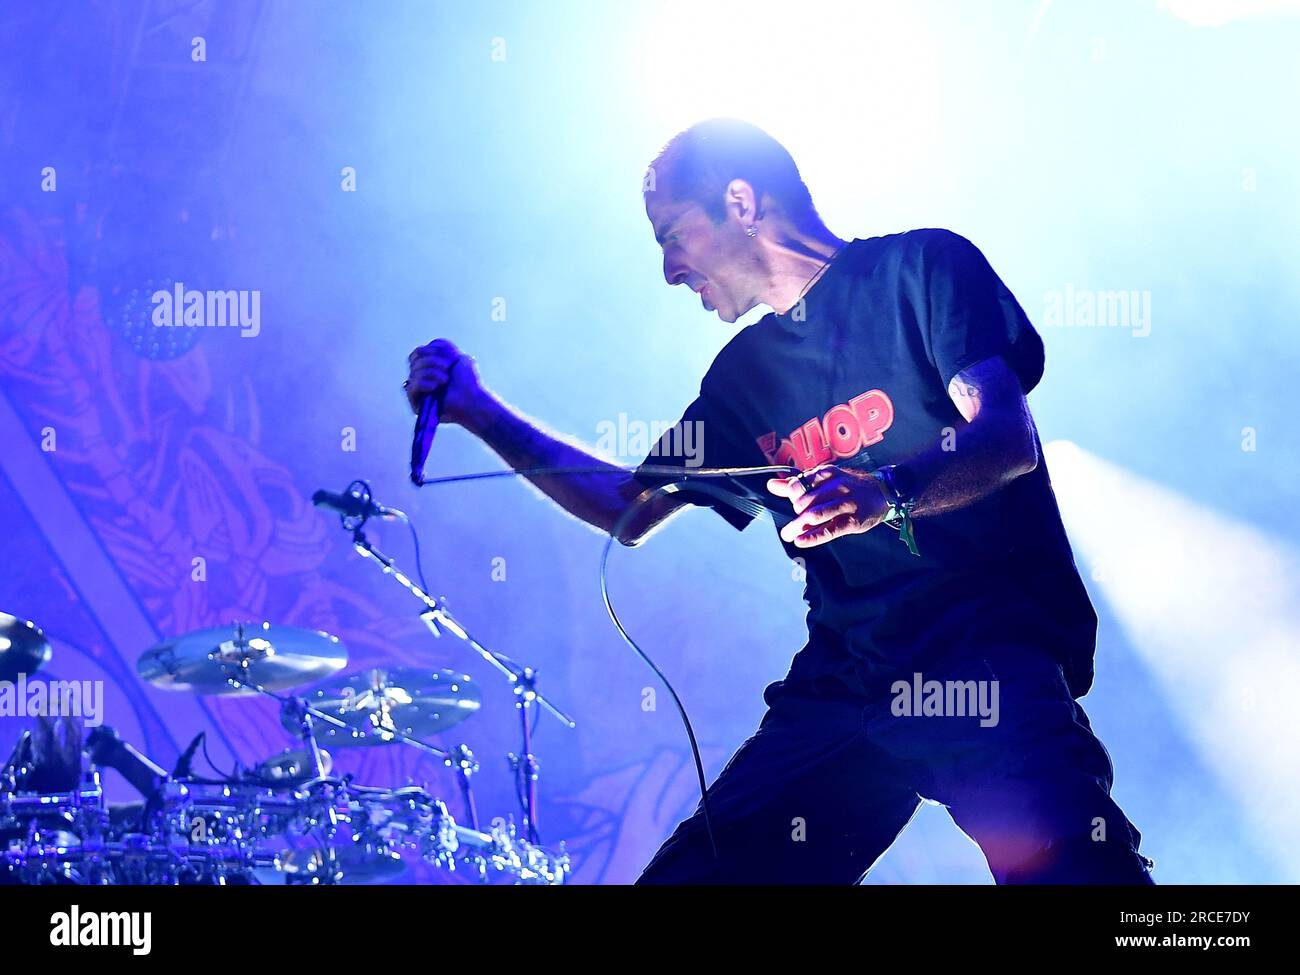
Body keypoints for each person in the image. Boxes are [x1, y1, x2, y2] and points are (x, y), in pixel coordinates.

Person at [405, 118, 1154, 884]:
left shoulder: (920, 268)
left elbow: (1005, 437)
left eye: (673, 235)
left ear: (739, 200)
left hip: (982, 662)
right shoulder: (743, 380)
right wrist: (476, 406)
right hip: (844, 686)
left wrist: (886, 493)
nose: (669, 269)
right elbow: (626, 508)